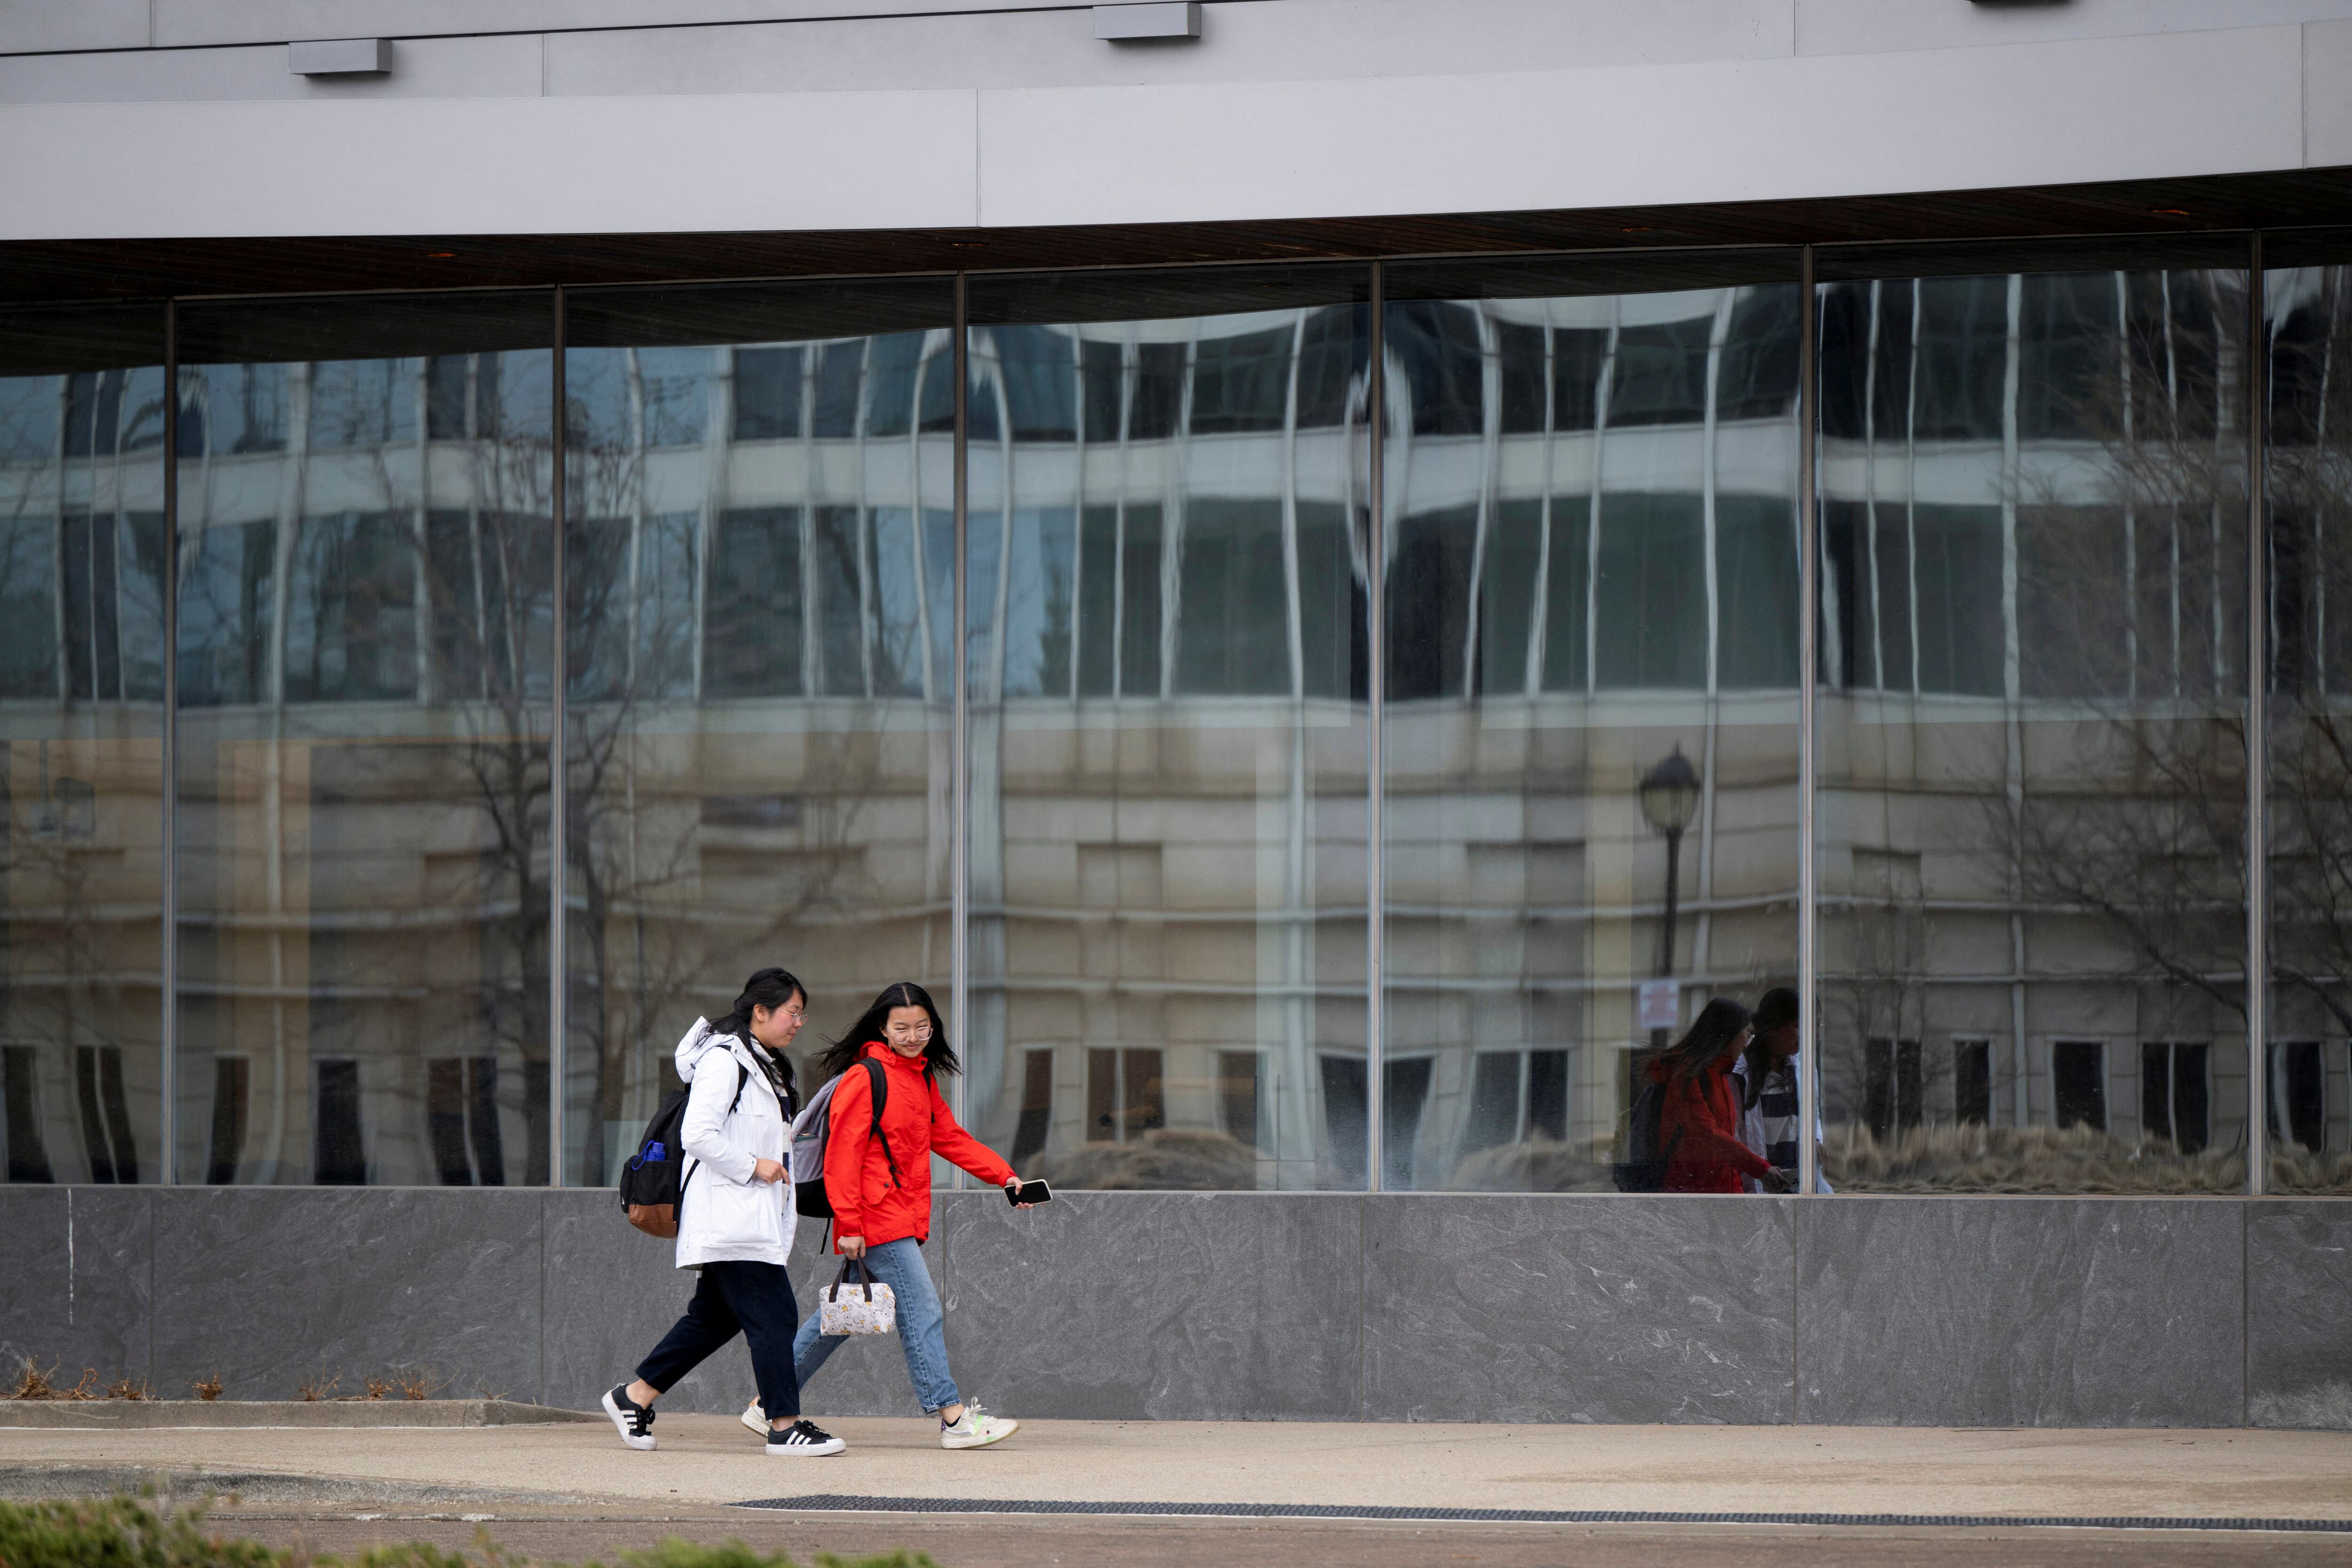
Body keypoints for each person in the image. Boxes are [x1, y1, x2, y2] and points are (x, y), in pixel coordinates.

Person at [601, 968, 847, 1457]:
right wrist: (754, 1166)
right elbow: (697, 1134)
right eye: (792, 1013)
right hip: (729, 1216)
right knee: (775, 1315)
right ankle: (783, 1425)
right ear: (760, 1011)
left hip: (746, 1215)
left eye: (802, 1014)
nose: (798, 1023)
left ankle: (635, 1396)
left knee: (713, 1319)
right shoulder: (724, 1060)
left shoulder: (763, 1063)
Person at [786, 980, 1033, 1450]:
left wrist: (1004, 1175)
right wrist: (849, 1225)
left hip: (899, 1213)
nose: (913, 1036)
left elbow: (951, 1138)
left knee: (840, 1318)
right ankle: (953, 1418)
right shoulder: (865, 1077)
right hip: (876, 1217)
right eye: (902, 1028)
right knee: (921, 1310)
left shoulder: (921, 1078)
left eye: (922, 1027)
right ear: (882, 1027)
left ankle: (770, 1400)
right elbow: (841, 1156)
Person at [1648, 997, 1789, 1194]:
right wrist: (1760, 1168)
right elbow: (1707, 1133)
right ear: (1728, 1035)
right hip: (1693, 1193)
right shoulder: (1688, 1076)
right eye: (1747, 1034)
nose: (1747, 1044)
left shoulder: (1720, 1073)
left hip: (1723, 1190)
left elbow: (1723, 1141)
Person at [1733, 986, 1832, 1194]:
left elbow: (1812, 1112)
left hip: (1795, 1185)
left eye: (1816, 1025)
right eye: (1799, 1026)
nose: (1811, 1033)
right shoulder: (1740, 1073)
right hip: (1757, 1187)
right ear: (1772, 1027)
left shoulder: (1803, 1066)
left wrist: (1815, 1140)